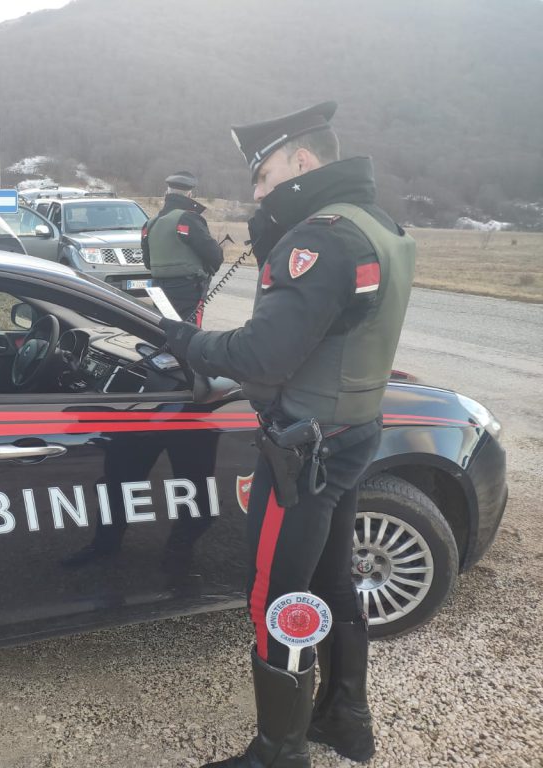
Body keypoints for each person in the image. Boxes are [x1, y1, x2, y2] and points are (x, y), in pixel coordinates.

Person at [159, 101, 416, 768]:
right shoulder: (379, 225)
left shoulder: (321, 237)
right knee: (333, 581)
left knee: (275, 594)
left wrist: (187, 340)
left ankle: (279, 752)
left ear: (303, 161)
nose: (259, 192)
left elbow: (262, 356)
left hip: (305, 448)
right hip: (351, 431)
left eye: (264, 176)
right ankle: (345, 720)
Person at [141, 171, 225, 323]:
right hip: (187, 290)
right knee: (188, 336)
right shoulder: (188, 219)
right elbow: (215, 256)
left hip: (158, 290)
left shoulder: (149, 224)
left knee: (161, 332)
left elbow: (147, 262)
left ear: (167, 193)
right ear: (190, 195)